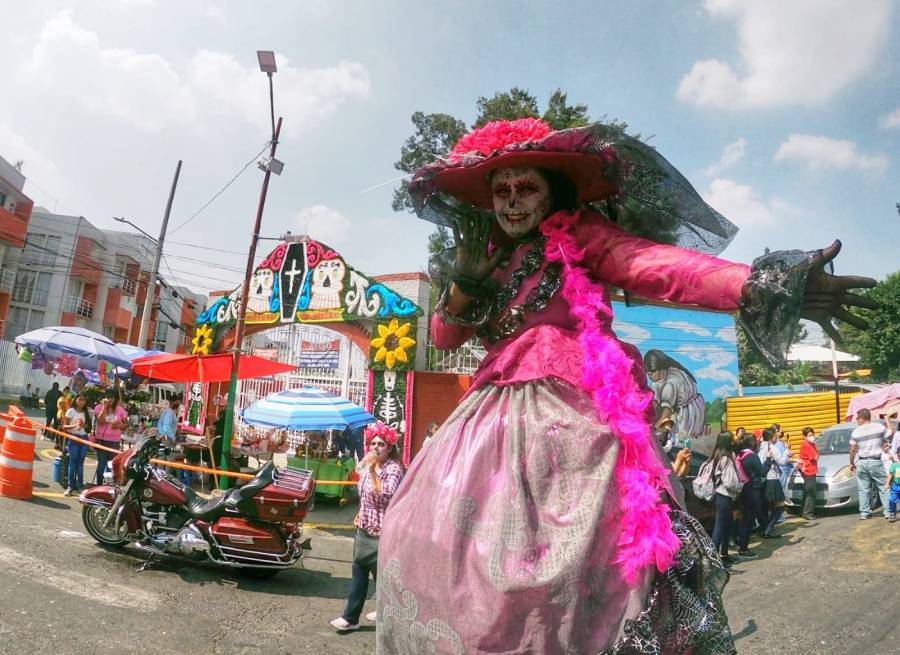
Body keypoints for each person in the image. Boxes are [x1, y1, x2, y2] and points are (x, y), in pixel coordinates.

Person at [377, 118, 875, 653]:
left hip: (572, 419)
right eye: (502, 191)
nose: (512, 202)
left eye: (526, 189)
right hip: (487, 418)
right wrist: (462, 286)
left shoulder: (581, 235)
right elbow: (446, 338)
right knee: (431, 542)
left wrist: (759, 284)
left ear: (554, 194)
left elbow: (658, 267)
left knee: (571, 566)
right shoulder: (488, 256)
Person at [330, 421, 404, 633]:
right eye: (373, 444)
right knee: (359, 572)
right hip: (364, 528)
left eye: (381, 444)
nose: (376, 448)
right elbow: (364, 495)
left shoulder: (393, 468)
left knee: (383, 577)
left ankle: (390, 614)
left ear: (390, 447)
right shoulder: (368, 465)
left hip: (383, 533)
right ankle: (350, 617)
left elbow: (386, 494)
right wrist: (359, 513)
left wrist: (371, 471)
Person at [644, 349, 705, 439]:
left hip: (688, 411)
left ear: (660, 370)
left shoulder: (671, 383)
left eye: (651, 374)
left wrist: (652, 430)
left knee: (681, 438)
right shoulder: (656, 379)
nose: (649, 377)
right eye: (648, 374)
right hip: (675, 408)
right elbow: (654, 403)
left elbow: (666, 415)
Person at [708, 432, 744, 566]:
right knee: (720, 528)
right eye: (732, 439)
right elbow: (730, 481)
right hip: (724, 497)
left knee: (726, 527)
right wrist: (740, 486)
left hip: (722, 497)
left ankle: (724, 554)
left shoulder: (717, 456)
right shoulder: (726, 459)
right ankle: (714, 560)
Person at [849, 408, 891, 519]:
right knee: (883, 487)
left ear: (862, 418)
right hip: (876, 461)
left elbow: (852, 449)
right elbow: (889, 434)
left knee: (863, 489)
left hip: (862, 462)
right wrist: (887, 420)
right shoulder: (879, 427)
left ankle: (864, 513)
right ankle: (888, 512)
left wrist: (851, 463)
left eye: (857, 418)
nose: (857, 420)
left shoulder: (856, 432)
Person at [735, 433, 766, 560]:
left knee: (744, 520)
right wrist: (768, 460)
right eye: (757, 441)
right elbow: (762, 472)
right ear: (753, 443)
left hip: (742, 490)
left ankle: (741, 544)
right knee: (748, 521)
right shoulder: (752, 456)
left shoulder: (740, 455)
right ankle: (743, 549)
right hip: (752, 490)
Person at [93, 388, 128, 486]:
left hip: (114, 442)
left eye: (111, 398)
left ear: (115, 399)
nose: (109, 400)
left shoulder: (120, 410)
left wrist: (118, 426)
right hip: (102, 440)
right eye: (107, 397)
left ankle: (108, 485)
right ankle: (99, 484)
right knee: (101, 465)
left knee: (111, 465)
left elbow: (126, 424)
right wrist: (105, 406)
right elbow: (100, 420)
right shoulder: (99, 407)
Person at [758, 427, 789, 537]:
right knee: (780, 506)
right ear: (771, 438)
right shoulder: (772, 447)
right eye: (776, 435)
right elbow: (781, 462)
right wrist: (787, 450)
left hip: (762, 480)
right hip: (772, 479)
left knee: (767, 507)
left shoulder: (759, 446)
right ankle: (768, 529)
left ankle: (765, 529)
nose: (777, 437)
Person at [62, 394, 92, 496]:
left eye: (84, 400)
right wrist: (75, 425)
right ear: (76, 400)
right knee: (72, 462)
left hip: (84, 438)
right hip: (73, 437)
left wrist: (84, 425)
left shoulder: (86, 412)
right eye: (80, 400)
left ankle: (80, 486)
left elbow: (89, 427)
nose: (82, 402)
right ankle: (70, 486)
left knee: (80, 463)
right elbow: (64, 426)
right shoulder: (71, 411)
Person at [798, 427, 819, 520]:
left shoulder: (811, 444)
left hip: (810, 469)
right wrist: (817, 456)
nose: (812, 437)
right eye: (809, 435)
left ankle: (803, 511)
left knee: (807, 490)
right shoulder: (806, 445)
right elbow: (814, 457)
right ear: (805, 437)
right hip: (808, 470)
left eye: (812, 434)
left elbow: (817, 455)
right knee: (811, 491)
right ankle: (808, 513)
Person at [884, 446, 900, 522]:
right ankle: (892, 513)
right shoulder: (894, 465)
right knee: (891, 500)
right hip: (895, 486)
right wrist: (887, 484)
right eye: (899, 455)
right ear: (897, 455)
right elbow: (890, 475)